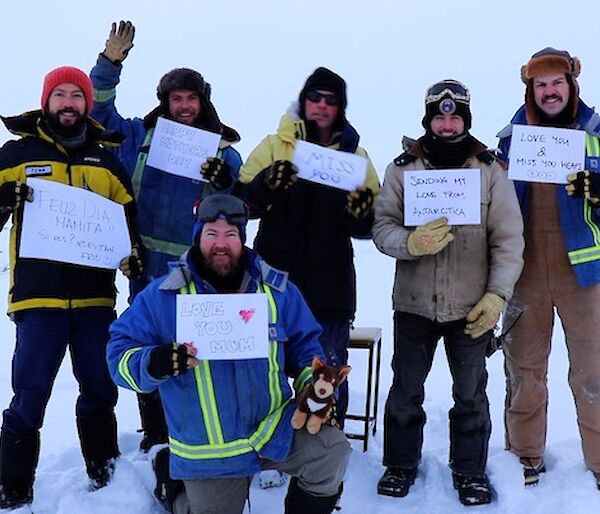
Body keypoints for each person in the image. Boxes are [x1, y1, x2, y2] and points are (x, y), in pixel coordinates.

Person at [107, 193, 351, 514]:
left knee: (331, 452)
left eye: (230, 235)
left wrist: (312, 381)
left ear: (242, 240)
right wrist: (154, 361)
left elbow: (306, 346)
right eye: (211, 234)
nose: (221, 244)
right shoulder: (163, 295)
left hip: (272, 429)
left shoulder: (276, 291)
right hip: (208, 449)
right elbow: (118, 355)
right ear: (197, 239)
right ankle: (172, 485)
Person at [90, 20, 243, 451]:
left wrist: (224, 180)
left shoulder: (222, 153)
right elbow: (98, 116)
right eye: (176, 98)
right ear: (166, 102)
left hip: (201, 275)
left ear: (203, 102)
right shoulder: (138, 136)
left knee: (198, 349)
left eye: (191, 98)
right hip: (144, 268)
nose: (184, 106)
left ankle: (194, 425)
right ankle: (156, 433)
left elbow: (241, 213)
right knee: (147, 346)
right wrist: (109, 64)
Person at [373, 79, 524, 505]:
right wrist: (410, 242)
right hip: (414, 304)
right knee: (405, 390)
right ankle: (400, 464)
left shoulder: (490, 172)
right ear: (428, 120)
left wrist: (497, 296)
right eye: (439, 116)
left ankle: (470, 471)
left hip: (472, 306)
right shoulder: (402, 170)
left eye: (454, 115)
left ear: (465, 119)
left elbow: (509, 240)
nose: (446, 123)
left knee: (471, 394)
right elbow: (382, 227)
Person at [0, 66, 139, 509]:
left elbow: (130, 228)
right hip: (38, 300)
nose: (68, 103)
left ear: (86, 104)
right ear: (46, 101)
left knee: (100, 387)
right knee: (30, 394)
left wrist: (132, 256)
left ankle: (106, 476)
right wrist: (5, 201)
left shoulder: (108, 161)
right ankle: (13, 489)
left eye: (75, 95)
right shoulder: (15, 155)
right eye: (59, 94)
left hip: (97, 301)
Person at [237, 66, 380, 432]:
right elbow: (239, 206)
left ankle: (326, 449)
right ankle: (269, 445)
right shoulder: (273, 146)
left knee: (326, 373)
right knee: (266, 370)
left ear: (341, 108)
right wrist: (266, 185)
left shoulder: (356, 158)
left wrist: (360, 213)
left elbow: (369, 228)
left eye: (330, 101)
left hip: (330, 289)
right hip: (272, 284)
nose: (320, 106)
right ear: (303, 102)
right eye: (314, 98)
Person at [497, 47, 600, 489]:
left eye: (556, 82)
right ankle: (525, 456)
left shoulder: (596, 133)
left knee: (593, 372)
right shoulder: (510, 139)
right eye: (540, 85)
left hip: (585, 275)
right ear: (530, 90)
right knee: (524, 370)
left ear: (571, 85)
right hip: (525, 274)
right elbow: (488, 201)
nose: (549, 91)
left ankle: (599, 460)